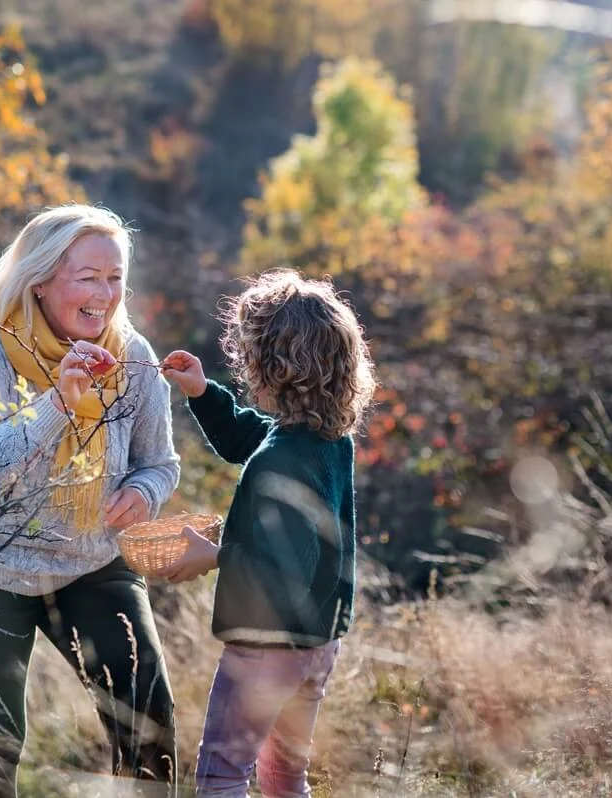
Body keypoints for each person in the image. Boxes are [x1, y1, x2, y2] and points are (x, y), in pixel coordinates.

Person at [0, 204, 181, 797]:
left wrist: (144, 492)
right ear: (40, 280)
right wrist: (59, 403)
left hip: (92, 564)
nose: (106, 293)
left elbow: (161, 463)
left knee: (149, 724)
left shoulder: (131, 353)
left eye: (116, 277)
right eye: (89, 277)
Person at [158, 269, 377, 798]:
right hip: (317, 644)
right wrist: (202, 392)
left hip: (265, 647)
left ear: (270, 366)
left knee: (222, 776)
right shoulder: (322, 438)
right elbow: (246, 440)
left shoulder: (283, 457)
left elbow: (283, 567)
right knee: (284, 777)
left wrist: (212, 556)